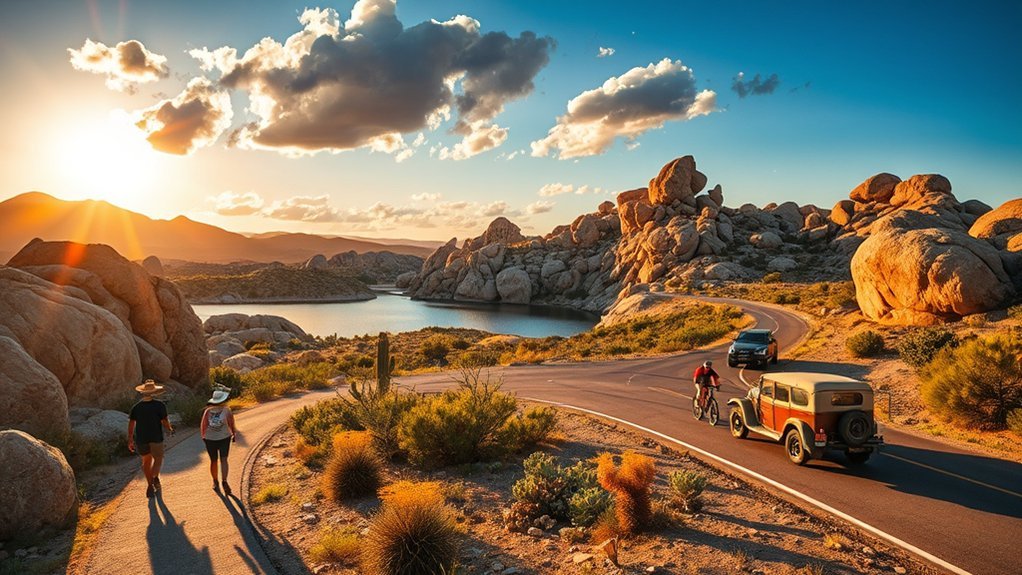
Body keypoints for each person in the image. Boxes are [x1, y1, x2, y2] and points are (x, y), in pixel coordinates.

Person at [128, 379, 174, 499]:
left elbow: (131, 424)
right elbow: (164, 421)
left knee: (146, 462)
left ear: (142, 393)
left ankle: (149, 485)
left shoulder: (136, 407)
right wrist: (169, 429)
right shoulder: (159, 405)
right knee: (158, 459)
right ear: (154, 392)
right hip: (156, 437)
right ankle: (154, 478)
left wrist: (130, 440)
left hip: (141, 439)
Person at [200, 385, 237, 496]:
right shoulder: (227, 411)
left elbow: (203, 425)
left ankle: (215, 481)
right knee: (224, 460)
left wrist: (204, 437)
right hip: (224, 437)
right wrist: (233, 434)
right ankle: (224, 481)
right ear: (223, 399)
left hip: (210, 438)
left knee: (213, 461)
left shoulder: (207, 411)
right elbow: (231, 423)